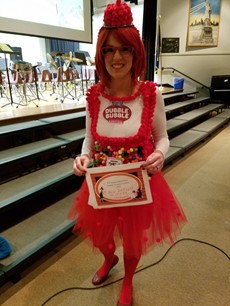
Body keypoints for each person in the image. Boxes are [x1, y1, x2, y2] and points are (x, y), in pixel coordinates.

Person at [68, 1, 187, 305]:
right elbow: (89, 140)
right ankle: (109, 260)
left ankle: (129, 280)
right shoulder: (94, 96)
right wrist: (82, 158)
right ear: (101, 55)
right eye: (109, 50)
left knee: (133, 241)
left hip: (140, 184)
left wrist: (160, 155)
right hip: (102, 182)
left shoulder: (151, 94)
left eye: (125, 49)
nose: (117, 57)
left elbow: (162, 138)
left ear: (136, 53)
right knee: (102, 237)